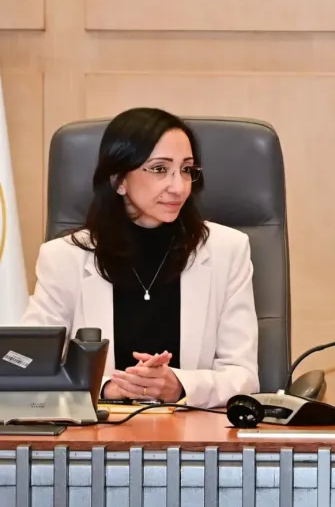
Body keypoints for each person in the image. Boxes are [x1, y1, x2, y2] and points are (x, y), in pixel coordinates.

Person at [21, 107, 260, 408]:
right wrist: (108, 387)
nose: (179, 187)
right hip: (101, 430)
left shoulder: (228, 250)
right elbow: (30, 366)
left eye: (186, 169)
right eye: (159, 169)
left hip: (193, 429)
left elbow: (243, 375)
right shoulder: (63, 258)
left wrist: (181, 385)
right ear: (119, 179)